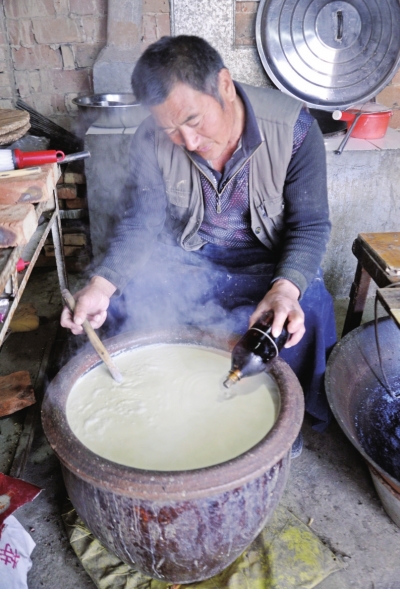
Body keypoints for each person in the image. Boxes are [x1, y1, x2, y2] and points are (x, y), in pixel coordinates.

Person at [61, 35, 337, 437]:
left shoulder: (294, 130)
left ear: (224, 84)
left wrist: (285, 289)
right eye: (170, 128)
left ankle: (284, 425)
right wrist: (101, 286)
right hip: (190, 258)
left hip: (269, 263)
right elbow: (143, 224)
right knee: (123, 303)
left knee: (305, 309)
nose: (187, 142)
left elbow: (310, 224)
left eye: (192, 120)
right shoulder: (151, 139)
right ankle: (154, 405)